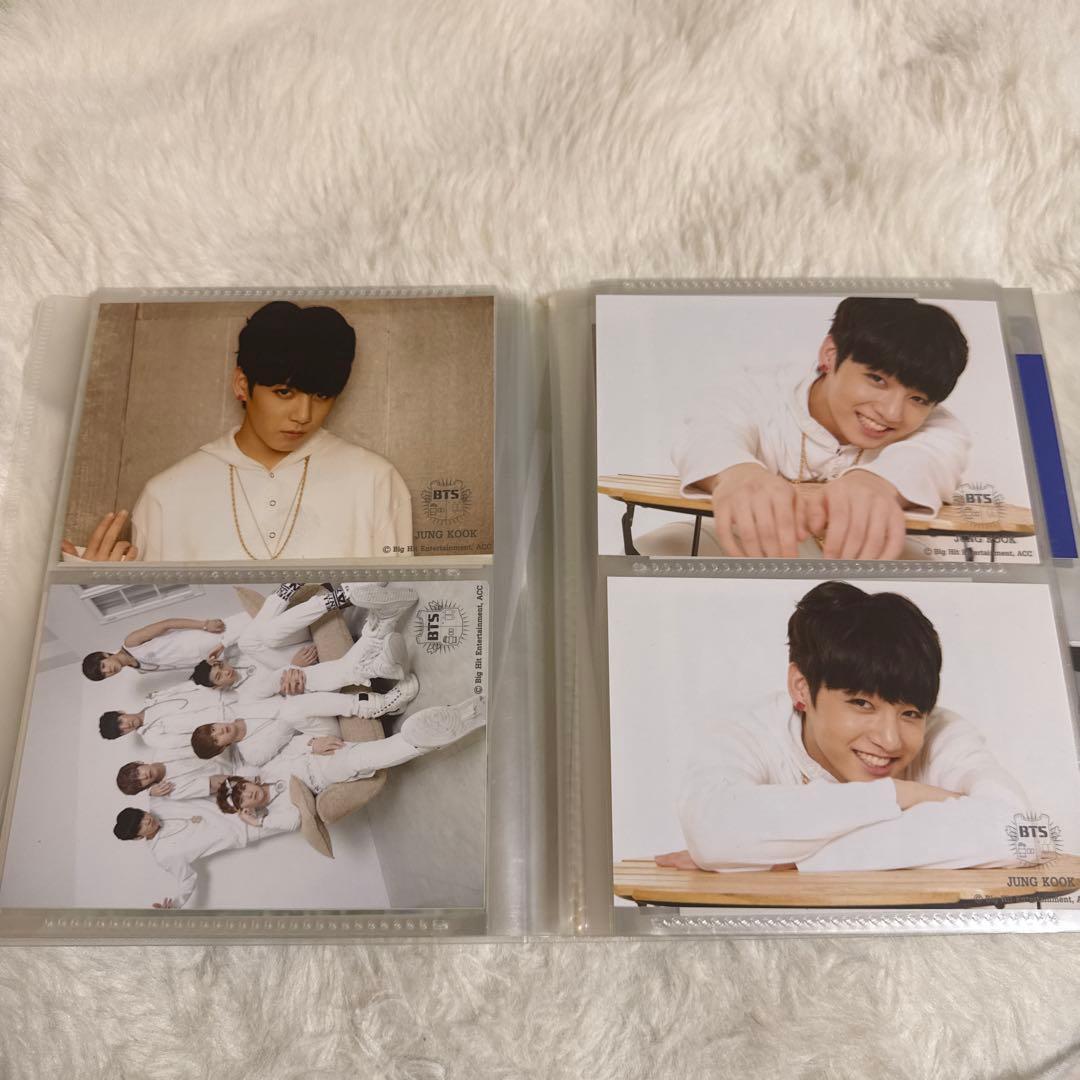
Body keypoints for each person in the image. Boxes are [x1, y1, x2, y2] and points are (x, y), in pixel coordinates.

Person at [658, 582, 1029, 873]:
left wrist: (796, 861)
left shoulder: (943, 733)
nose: (889, 740)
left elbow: (1021, 834)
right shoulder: (748, 733)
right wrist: (900, 795)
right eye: (862, 704)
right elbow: (712, 833)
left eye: (910, 713)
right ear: (802, 688)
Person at [62, 301, 413, 562]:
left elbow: (402, 605)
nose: (303, 415)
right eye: (284, 393)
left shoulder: (375, 480)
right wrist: (95, 583)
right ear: (242, 385)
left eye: (321, 396)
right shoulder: (167, 495)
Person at [666, 297, 972, 560]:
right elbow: (710, 429)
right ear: (830, 355)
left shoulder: (938, 426)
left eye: (917, 398)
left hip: (873, 556)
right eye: (877, 379)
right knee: (668, 544)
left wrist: (877, 484)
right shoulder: (756, 388)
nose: (891, 412)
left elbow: (931, 456)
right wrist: (737, 474)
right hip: (753, 545)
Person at [214, 697, 488, 836]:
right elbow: (296, 820)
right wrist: (258, 822)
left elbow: (290, 746)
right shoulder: (277, 812)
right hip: (327, 770)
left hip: (321, 745)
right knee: (358, 759)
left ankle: (402, 718)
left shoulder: (267, 770)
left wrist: (312, 743)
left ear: (244, 781)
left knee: (293, 711)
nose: (247, 794)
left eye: (242, 789)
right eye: (242, 800)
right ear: (246, 808)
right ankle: (426, 736)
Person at [188, 683, 420, 767]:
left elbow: (276, 683)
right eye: (216, 739)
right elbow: (285, 753)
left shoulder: (244, 703)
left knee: (294, 703)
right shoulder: (252, 755)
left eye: (213, 728)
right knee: (290, 711)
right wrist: (310, 746)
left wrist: (291, 671)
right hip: (317, 730)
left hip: (312, 703)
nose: (220, 731)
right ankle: (375, 705)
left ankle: (378, 702)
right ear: (222, 747)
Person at [112, 798, 278, 909]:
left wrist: (153, 788)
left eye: (141, 815)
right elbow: (187, 879)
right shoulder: (163, 855)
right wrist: (175, 904)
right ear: (138, 837)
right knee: (290, 819)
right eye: (141, 825)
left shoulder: (158, 803)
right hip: (243, 830)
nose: (147, 820)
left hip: (236, 801)